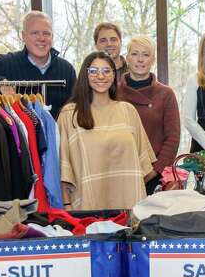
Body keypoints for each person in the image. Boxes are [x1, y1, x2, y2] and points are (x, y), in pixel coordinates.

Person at [58, 51, 155, 211]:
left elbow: (145, 167)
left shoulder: (128, 111)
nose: (101, 76)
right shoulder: (70, 114)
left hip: (130, 205)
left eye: (106, 71)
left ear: (113, 75)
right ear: (85, 75)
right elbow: (63, 168)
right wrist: (67, 205)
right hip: (88, 206)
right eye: (94, 71)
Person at [0, 10, 76, 119]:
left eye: (46, 33)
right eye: (35, 33)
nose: (41, 38)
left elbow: (76, 109)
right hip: (18, 145)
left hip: (59, 143)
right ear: (23, 36)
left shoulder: (67, 69)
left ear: (52, 37)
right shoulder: (7, 63)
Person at [117, 35, 180, 194]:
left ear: (153, 60)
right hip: (120, 173)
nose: (140, 59)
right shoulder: (114, 93)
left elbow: (172, 138)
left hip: (154, 176)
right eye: (135, 54)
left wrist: (154, 171)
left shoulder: (166, 94)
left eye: (145, 55)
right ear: (127, 59)